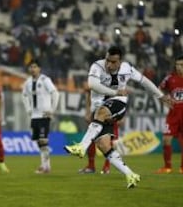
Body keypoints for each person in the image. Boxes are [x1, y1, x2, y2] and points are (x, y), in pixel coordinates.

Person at [64, 46, 173, 188]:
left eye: (113, 62)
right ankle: (131, 175)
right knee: (103, 145)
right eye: (108, 60)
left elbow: (144, 82)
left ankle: (81, 147)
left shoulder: (127, 69)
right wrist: (115, 92)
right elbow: (92, 84)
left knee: (102, 111)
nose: (109, 64)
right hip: (99, 110)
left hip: (118, 103)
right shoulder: (97, 66)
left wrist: (161, 96)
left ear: (120, 61)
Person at [22, 59, 59, 174]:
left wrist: (52, 110)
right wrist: (28, 109)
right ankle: (45, 166)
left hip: (44, 115)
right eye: (31, 67)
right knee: (39, 142)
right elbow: (24, 95)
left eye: (34, 67)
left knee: (43, 140)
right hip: (34, 116)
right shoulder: (28, 82)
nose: (32, 69)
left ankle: (45, 167)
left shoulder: (45, 80)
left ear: (39, 68)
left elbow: (55, 93)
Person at [78, 90, 119, 174]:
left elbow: (121, 97)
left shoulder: (113, 81)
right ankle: (91, 166)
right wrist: (88, 112)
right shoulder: (94, 80)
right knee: (91, 138)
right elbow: (88, 95)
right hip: (95, 113)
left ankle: (107, 167)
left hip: (109, 113)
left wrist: (120, 116)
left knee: (109, 140)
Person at [156, 55, 183, 174]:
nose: (179, 67)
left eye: (181, 65)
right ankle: (167, 167)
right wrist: (165, 101)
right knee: (166, 139)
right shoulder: (170, 78)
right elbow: (158, 90)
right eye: (177, 64)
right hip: (173, 114)